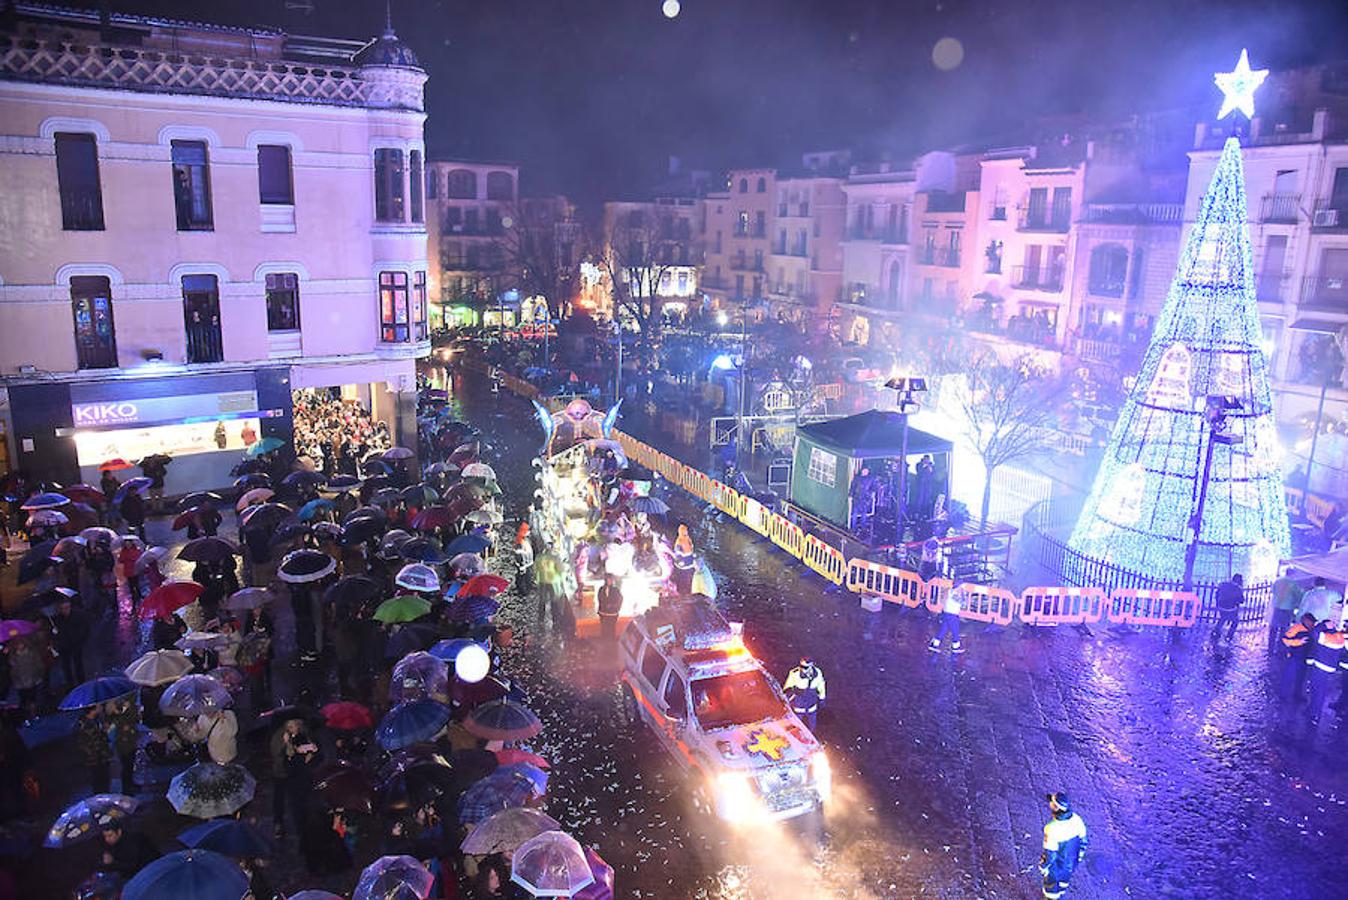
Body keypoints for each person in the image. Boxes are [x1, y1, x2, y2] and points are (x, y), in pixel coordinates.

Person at [1039, 792, 1088, 899]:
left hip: (1057, 866)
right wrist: (1078, 858)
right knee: (1062, 884)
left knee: (1051, 889)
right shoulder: (1076, 819)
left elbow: (1050, 854)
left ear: (1055, 807)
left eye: (1051, 802)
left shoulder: (1052, 828)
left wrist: (1043, 866)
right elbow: (1084, 841)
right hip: (1071, 863)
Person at [1306, 622, 1346, 726]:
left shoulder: (1327, 637)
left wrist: (1323, 626)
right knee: (1320, 690)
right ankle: (1313, 710)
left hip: (1319, 667)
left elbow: (1314, 633)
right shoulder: (1340, 638)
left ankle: (1315, 714)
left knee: (1317, 691)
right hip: (1329, 669)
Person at [51, 599, 90, 688]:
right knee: (66, 666)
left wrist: (80, 640)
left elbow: (85, 629)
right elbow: (56, 633)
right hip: (64, 646)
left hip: (75, 644)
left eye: (66, 608)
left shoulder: (78, 616)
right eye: (62, 608)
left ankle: (81, 682)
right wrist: (55, 633)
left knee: (78, 664)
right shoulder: (57, 619)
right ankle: (70, 684)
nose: (65, 610)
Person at [1278, 613, 1317, 699]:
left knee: (1301, 678)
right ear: (1305, 620)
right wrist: (1299, 642)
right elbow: (1285, 639)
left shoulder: (1312, 630)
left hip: (1305, 658)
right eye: (1310, 622)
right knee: (1289, 676)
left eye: (1313, 623)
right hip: (1294, 657)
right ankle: (1283, 695)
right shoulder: (1296, 628)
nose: (1312, 624)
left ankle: (1297, 695)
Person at [105, 698, 140, 791]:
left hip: (130, 741)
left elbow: (134, 719)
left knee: (130, 765)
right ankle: (127, 788)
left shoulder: (125, 709)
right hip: (123, 744)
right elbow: (116, 724)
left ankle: (130, 784)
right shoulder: (113, 715)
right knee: (126, 766)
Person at [783, 657, 826, 732]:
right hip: (799, 703)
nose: (802, 669)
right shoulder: (794, 673)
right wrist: (793, 690)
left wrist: (822, 698)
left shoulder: (817, 672)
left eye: (805, 667)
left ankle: (811, 734)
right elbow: (787, 688)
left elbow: (821, 685)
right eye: (801, 666)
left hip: (811, 703)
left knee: (812, 724)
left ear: (811, 666)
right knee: (796, 723)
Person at [75, 706, 111, 794]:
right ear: (93, 709)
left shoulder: (95, 721)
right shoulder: (84, 724)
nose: (101, 706)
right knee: (99, 785)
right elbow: (89, 743)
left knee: (104, 783)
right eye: (98, 705)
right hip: (96, 760)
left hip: (101, 759)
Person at [1269, 570, 1305, 652]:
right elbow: (1299, 596)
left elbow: (1273, 591)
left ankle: (1270, 647)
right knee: (1284, 628)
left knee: (1273, 627)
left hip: (1277, 607)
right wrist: (1298, 605)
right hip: (1287, 608)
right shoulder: (1294, 584)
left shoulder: (1277, 580)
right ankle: (1280, 647)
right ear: (1293, 574)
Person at [929, 584, 965, 654]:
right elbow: (962, 603)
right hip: (952, 614)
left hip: (947, 613)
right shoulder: (955, 595)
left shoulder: (949, 592)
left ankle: (935, 644)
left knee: (943, 629)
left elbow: (944, 600)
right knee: (955, 630)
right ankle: (956, 646)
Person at [1212, 573, 1243, 643]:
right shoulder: (1238, 589)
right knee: (1235, 621)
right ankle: (1229, 636)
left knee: (1223, 618)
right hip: (1231, 609)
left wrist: (1218, 603)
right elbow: (1241, 601)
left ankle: (1216, 632)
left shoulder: (1223, 584)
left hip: (1221, 607)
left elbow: (1217, 593)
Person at [597, 575, 622, 641]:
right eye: (608, 580)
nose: (609, 581)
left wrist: (614, 607)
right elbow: (600, 598)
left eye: (610, 580)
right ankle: (604, 639)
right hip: (603, 613)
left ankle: (611, 640)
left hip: (612, 613)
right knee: (604, 627)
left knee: (611, 628)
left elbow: (619, 600)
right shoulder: (601, 589)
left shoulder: (616, 590)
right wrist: (603, 606)